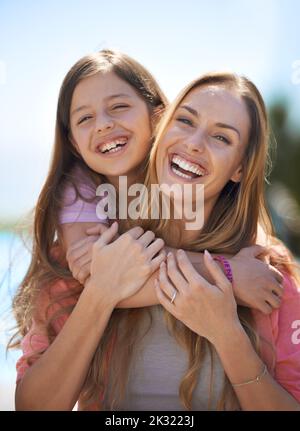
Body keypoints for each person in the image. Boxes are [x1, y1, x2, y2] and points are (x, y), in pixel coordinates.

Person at [11, 52, 285, 410]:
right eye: (85, 118)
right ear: (74, 143)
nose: (104, 124)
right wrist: (227, 274)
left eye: (119, 106)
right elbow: (101, 269)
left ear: (159, 115)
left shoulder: (262, 263)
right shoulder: (78, 216)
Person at [83, 72, 300, 410]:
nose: (195, 143)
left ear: (240, 169)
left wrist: (228, 335)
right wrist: (225, 272)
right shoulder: (101, 243)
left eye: (222, 138)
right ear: (162, 129)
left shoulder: (269, 271)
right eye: (185, 121)